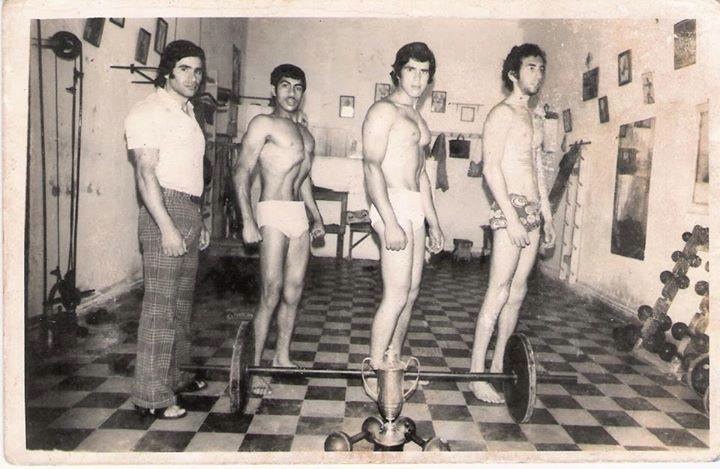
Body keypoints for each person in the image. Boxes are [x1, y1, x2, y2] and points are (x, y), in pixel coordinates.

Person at [125, 40, 210, 419]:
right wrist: (167, 227)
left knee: (180, 305)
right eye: (185, 69)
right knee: (160, 308)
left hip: (187, 208)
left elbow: (188, 170)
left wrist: (198, 219)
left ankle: (174, 376)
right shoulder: (148, 110)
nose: (193, 77)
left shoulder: (186, 111)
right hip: (163, 208)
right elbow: (146, 175)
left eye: (198, 70)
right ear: (167, 71)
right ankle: (151, 396)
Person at [469, 43, 556, 404]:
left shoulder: (534, 118)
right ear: (513, 74)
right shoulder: (501, 114)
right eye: (531, 67)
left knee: (517, 293)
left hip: (532, 211)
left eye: (541, 68)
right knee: (498, 291)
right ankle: (476, 374)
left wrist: (547, 216)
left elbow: (537, 171)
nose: (538, 74)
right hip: (510, 210)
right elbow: (490, 170)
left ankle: (498, 366)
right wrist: (509, 217)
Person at [233, 64, 325, 396]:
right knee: (270, 292)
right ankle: (256, 368)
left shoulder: (306, 135)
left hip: (297, 214)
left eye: (298, 87)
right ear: (273, 90)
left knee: (293, 292)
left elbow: (304, 181)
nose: (291, 93)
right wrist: (247, 219)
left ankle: (282, 357)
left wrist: (316, 216)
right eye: (285, 85)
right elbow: (241, 171)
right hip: (271, 210)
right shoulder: (263, 124)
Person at [363, 42, 444, 370]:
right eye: (411, 69)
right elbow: (371, 167)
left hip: (413, 205)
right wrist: (390, 221)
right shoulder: (383, 111)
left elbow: (421, 174)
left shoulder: (417, 118)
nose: (418, 78)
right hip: (391, 202)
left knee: (411, 292)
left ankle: (393, 359)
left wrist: (433, 221)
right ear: (397, 72)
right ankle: (374, 369)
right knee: (396, 294)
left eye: (424, 72)